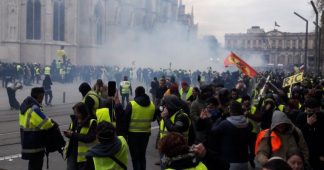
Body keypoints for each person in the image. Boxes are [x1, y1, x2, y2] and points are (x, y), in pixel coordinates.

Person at [19, 87, 55, 170]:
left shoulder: (25, 106)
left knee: (32, 165)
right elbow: (47, 123)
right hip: (36, 144)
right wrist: (51, 121)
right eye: (43, 95)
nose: (43, 97)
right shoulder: (34, 108)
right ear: (40, 95)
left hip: (27, 141)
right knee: (36, 166)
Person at [124, 86, 155, 170]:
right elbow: (154, 118)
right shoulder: (152, 104)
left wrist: (124, 135)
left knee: (135, 157)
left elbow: (125, 120)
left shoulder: (131, 104)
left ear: (136, 93)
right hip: (146, 134)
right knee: (142, 155)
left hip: (133, 135)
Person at [64, 102, 97, 170]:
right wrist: (68, 134)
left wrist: (73, 134)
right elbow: (72, 135)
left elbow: (89, 138)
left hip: (85, 157)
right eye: (75, 112)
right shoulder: (74, 122)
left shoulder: (92, 122)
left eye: (77, 113)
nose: (76, 115)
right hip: (72, 154)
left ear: (83, 112)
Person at [296, 98, 324, 170]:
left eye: (314, 111)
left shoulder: (322, 117)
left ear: (318, 109)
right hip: (306, 152)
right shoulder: (301, 117)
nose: (312, 114)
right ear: (305, 109)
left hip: (319, 154)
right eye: (309, 111)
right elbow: (298, 135)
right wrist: (308, 124)